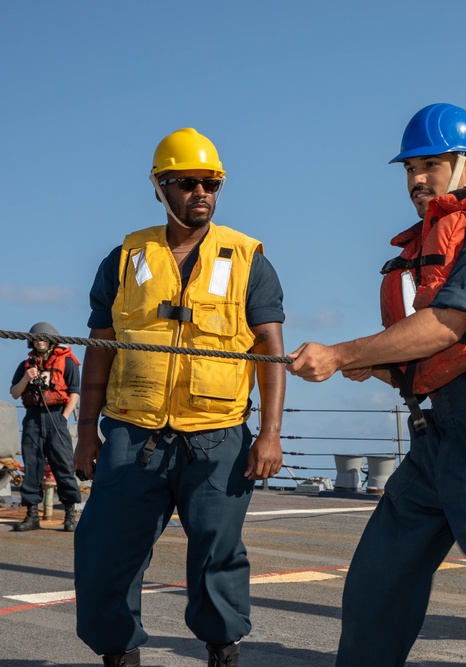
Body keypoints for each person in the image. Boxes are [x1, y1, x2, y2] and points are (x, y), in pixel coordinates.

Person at [287, 102, 466, 666]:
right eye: (409, 168)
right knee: (378, 583)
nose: (418, 179)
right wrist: (374, 364)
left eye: (432, 165)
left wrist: (345, 351)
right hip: (435, 434)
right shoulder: (433, 243)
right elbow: (429, 348)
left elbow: (450, 321)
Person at [73, 128, 286, 667]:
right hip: (131, 432)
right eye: (186, 183)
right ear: (159, 188)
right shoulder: (123, 259)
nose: (201, 193)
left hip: (218, 439)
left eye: (210, 182)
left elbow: (271, 352)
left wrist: (269, 435)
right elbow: (98, 351)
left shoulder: (247, 258)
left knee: (218, 555)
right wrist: (84, 433)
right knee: (106, 553)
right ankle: (118, 654)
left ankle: (222, 648)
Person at [9, 322, 81, 532]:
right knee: (32, 467)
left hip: (57, 416)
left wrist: (64, 417)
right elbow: (14, 392)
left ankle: (69, 515)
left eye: (44, 338)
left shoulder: (67, 363)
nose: (40, 341)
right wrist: (26, 377)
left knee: (64, 466)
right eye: (36, 338)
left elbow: (74, 392)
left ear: (51, 341)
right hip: (32, 418)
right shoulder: (25, 365)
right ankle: (32, 515)